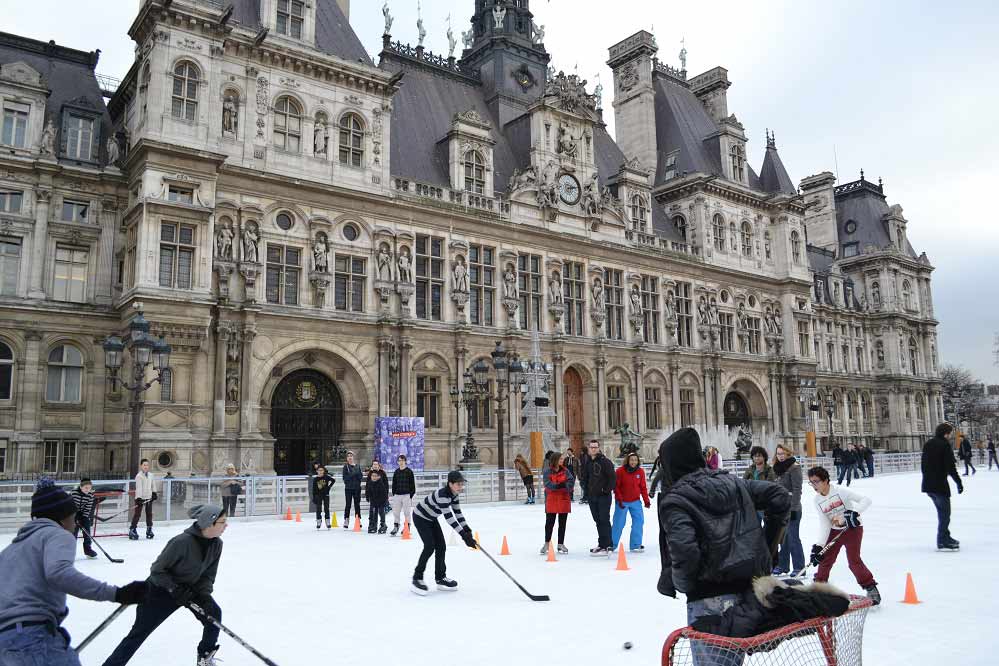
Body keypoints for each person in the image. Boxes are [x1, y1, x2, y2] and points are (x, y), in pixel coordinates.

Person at [657, 428, 790, 663]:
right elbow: (779, 496)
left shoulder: (676, 500)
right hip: (748, 591)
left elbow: (685, 552)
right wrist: (767, 549)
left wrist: (686, 585)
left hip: (709, 599)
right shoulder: (732, 482)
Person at [0, 479, 147, 666]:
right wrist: (117, 593)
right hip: (33, 640)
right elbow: (59, 574)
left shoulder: (11, 549)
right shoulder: (57, 535)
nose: (75, 521)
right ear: (63, 517)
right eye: (73, 515)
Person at [103, 504, 228, 666]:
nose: (226, 525)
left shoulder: (217, 544)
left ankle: (205, 657)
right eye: (222, 522)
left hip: (190, 590)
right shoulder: (181, 542)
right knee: (138, 634)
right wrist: (174, 589)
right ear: (209, 523)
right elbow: (157, 571)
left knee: (214, 614)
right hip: (159, 591)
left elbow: (208, 575)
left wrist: (204, 595)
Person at [806, 466, 880, 605]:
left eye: (816, 481)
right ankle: (819, 589)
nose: (814, 485)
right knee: (825, 560)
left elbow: (866, 500)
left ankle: (871, 588)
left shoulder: (841, 491)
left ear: (826, 480)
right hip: (835, 531)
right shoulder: (817, 501)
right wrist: (819, 546)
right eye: (811, 482)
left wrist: (854, 512)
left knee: (854, 561)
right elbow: (824, 523)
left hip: (852, 529)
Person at [411, 470, 477, 595]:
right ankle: (417, 577)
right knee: (429, 546)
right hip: (420, 517)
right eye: (458, 484)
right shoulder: (442, 495)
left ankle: (440, 577)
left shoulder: (455, 494)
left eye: (462, 484)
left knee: (441, 547)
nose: (461, 487)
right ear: (450, 484)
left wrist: (468, 531)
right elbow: (449, 518)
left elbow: (458, 514)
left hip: (431, 518)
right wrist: (464, 536)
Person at [921, 422, 963, 550]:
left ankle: (944, 537)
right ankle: (943, 540)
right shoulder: (944, 445)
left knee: (942, 513)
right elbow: (951, 467)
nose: (950, 436)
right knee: (945, 514)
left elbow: (923, 464)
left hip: (928, 485)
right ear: (946, 433)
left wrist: (927, 480)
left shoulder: (929, 443)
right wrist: (958, 482)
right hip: (939, 485)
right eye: (950, 433)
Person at [579, 439, 616, 555]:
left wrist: (605, 490)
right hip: (592, 496)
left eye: (595, 447)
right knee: (598, 521)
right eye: (591, 447)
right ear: (589, 449)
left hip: (603, 496)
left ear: (599, 448)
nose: (593, 449)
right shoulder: (587, 462)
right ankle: (602, 544)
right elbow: (584, 477)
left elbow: (612, 478)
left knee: (604, 520)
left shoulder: (606, 462)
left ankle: (608, 545)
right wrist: (586, 490)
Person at [772, 445, 804, 575]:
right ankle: (783, 565)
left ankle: (799, 567)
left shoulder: (794, 467)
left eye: (782, 453)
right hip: (780, 507)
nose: (780, 456)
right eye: (778, 453)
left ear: (788, 453)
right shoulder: (776, 468)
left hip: (792, 507)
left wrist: (794, 508)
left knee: (793, 537)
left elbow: (797, 490)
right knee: (782, 538)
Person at [611, 452, 651, 553]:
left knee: (639, 522)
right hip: (622, 502)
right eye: (631, 460)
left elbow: (643, 487)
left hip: (635, 501)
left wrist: (646, 500)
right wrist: (619, 499)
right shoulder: (620, 471)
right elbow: (616, 487)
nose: (633, 462)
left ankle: (635, 545)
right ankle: (612, 544)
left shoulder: (640, 472)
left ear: (638, 461)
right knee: (618, 524)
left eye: (635, 460)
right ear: (628, 460)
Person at [540, 453, 574, 555]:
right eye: (561, 459)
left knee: (562, 523)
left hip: (563, 499)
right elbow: (547, 484)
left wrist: (565, 486)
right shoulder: (547, 472)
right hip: (552, 500)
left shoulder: (565, 471)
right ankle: (547, 543)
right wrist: (558, 486)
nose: (562, 461)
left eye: (563, 459)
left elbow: (571, 481)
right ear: (555, 460)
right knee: (549, 523)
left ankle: (560, 544)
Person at [129, 458, 156, 540]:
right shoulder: (139, 476)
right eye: (144, 465)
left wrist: (154, 493)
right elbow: (139, 488)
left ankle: (149, 529)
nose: (146, 466)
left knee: (149, 514)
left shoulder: (151, 475)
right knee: (137, 514)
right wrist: (139, 498)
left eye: (147, 465)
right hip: (140, 498)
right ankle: (132, 529)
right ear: (141, 466)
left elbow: (153, 485)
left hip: (148, 498)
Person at [71, 477, 98, 559]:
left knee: (87, 532)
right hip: (72, 515)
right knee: (73, 534)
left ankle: (88, 550)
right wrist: (74, 517)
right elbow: (69, 506)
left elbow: (87, 509)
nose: (88, 489)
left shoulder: (90, 496)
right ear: (81, 486)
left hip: (83, 515)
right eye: (86, 487)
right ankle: (70, 551)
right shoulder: (73, 493)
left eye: (90, 488)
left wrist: (83, 517)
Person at [390, 454, 416, 536]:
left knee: (407, 512)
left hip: (406, 495)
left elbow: (412, 485)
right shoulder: (396, 472)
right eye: (399, 460)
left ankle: (407, 526)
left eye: (402, 460)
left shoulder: (409, 471)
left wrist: (410, 495)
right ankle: (396, 526)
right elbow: (394, 484)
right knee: (396, 512)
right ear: (398, 462)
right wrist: (394, 493)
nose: (401, 462)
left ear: (405, 461)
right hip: (397, 495)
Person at [342, 451, 363, 529]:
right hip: (348, 489)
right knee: (348, 504)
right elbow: (345, 479)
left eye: (351, 456)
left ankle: (358, 519)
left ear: (353, 457)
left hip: (357, 488)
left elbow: (360, 477)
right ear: (347, 458)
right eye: (348, 456)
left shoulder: (358, 466)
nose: (350, 457)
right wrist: (353, 474)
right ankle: (346, 519)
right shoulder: (345, 467)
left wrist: (355, 476)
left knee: (357, 504)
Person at [366, 468, 389, 534]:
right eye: (373, 476)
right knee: (373, 513)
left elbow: (384, 494)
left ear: (378, 477)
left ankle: (383, 525)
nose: (374, 477)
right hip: (373, 501)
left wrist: (382, 502)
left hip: (381, 502)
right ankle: (373, 526)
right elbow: (368, 491)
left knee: (381, 512)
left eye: (375, 476)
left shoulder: (381, 484)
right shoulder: (370, 483)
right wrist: (367, 497)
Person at [312, 465, 335, 529]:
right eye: (319, 470)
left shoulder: (326, 477)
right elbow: (313, 489)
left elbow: (333, 480)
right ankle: (319, 521)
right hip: (318, 496)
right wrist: (314, 497)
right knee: (318, 509)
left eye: (322, 470)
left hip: (326, 495)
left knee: (326, 509)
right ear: (317, 471)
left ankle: (327, 521)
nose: (320, 471)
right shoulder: (315, 479)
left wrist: (329, 487)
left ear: (324, 471)